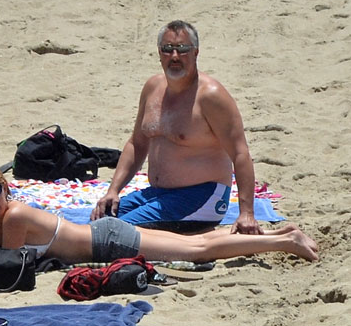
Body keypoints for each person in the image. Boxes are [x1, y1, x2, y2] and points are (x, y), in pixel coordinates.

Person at [0, 166, 318, 268]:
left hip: (108, 240)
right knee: (194, 245)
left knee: (197, 250)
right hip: (102, 239)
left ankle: (284, 242)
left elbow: (4, 264)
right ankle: (280, 235)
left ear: (7, 189)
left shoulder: (13, 216)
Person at [90, 20, 265, 235]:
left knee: (109, 233)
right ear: (159, 53)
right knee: (97, 221)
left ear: (196, 53)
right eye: (167, 49)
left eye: (182, 49)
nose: (174, 56)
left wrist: (246, 213)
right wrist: (113, 190)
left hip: (203, 196)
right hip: (158, 193)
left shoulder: (210, 96)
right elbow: (137, 142)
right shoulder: (153, 87)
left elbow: (240, 153)